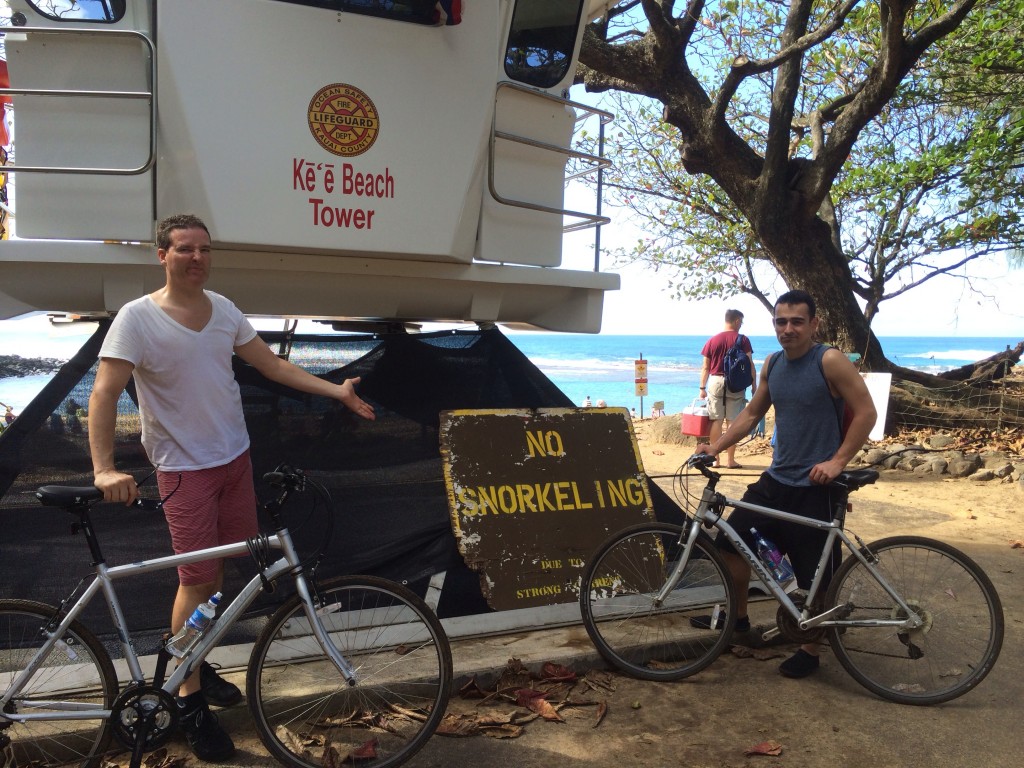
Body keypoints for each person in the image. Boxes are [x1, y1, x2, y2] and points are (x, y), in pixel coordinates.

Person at [89, 214, 376, 762]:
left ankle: (192, 659)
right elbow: (104, 393)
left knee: (224, 575)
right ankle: (188, 705)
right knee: (196, 580)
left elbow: (271, 366)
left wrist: (335, 391)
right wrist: (104, 469)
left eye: (204, 249)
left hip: (233, 462)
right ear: (162, 256)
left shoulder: (222, 309)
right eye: (183, 249)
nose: (196, 258)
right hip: (183, 469)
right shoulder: (137, 319)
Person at [692, 290, 876, 679]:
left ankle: (810, 649)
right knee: (729, 544)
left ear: (814, 325)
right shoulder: (773, 364)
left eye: (796, 321)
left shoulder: (829, 361)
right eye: (781, 321)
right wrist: (716, 446)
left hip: (817, 485)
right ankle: (738, 624)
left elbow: (866, 412)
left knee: (817, 578)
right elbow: (752, 411)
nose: (788, 329)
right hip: (776, 480)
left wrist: (837, 461)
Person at [698, 309, 754, 468]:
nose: (741, 325)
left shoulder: (712, 340)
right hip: (735, 383)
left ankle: (715, 459)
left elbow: (705, 367)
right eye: (741, 322)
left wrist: (702, 388)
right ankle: (730, 460)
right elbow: (750, 364)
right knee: (733, 421)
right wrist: (754, 385)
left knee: (716, 420)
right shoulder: (743, 340)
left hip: (715, 381)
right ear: (736, 321)